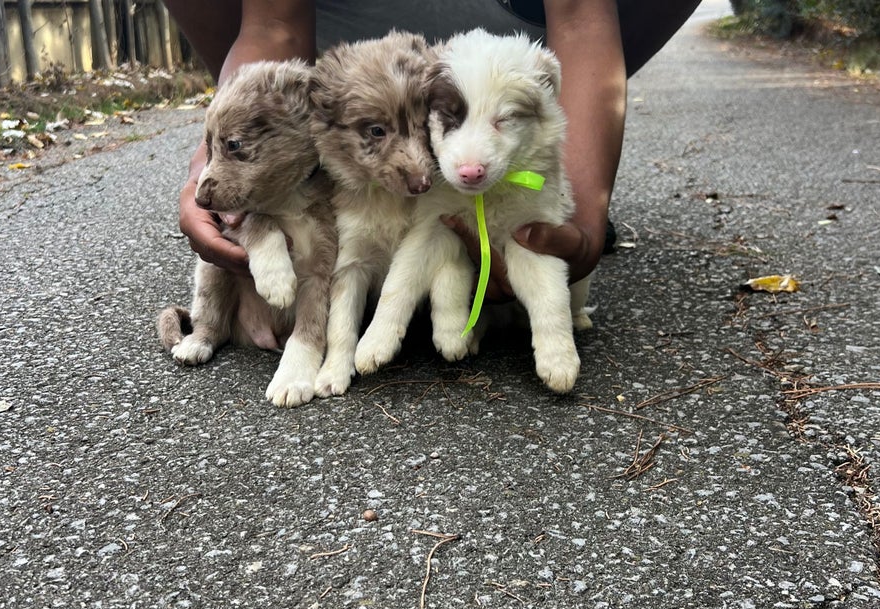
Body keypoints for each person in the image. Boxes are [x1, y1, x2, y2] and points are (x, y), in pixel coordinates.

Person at [162, 0, 702, 348]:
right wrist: (217, 167)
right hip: (351, 61)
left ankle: (518, 184)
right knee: (376, 235)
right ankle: (310, 179)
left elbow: (583, 18)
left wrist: (576, 210)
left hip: (506, 39)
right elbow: (273, 23)